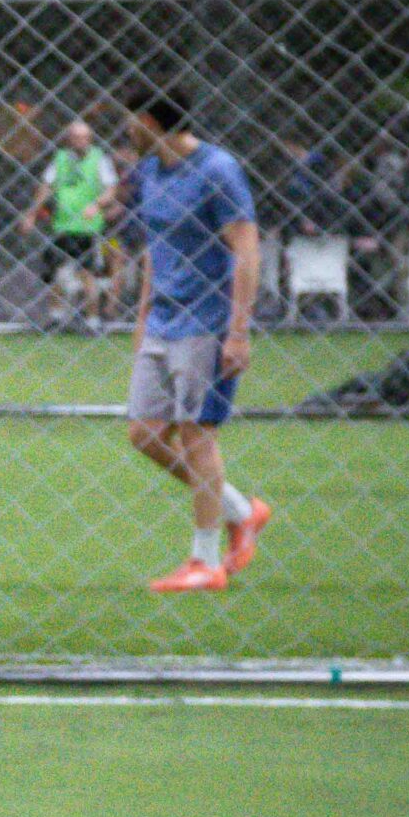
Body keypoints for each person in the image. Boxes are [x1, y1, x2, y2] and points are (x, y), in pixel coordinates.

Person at [120, 87, 273, 594]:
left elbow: (247, 250)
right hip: (163, 322)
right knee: (144, 434)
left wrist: (238, 332)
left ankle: (205, 561)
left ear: (149, 122)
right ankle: (240, 510)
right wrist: (143, 317)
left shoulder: (218, 171)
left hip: (206, 322)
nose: (125, 131)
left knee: (196, 436)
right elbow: (155, 247)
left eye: (129, 120)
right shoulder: (149, 172)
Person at [17, 118, 116, 328]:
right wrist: (32, 214)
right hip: (61, 225)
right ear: (69, 139)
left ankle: (92, 320)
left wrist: (96, 205)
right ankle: (56, 317)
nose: (81, 141)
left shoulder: (99, 158)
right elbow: (46, 186)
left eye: (85, 137)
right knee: (55, 272)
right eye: (76, 137)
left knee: (87, 273)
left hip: (87, 227)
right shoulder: (61, 158)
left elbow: (111, 189)